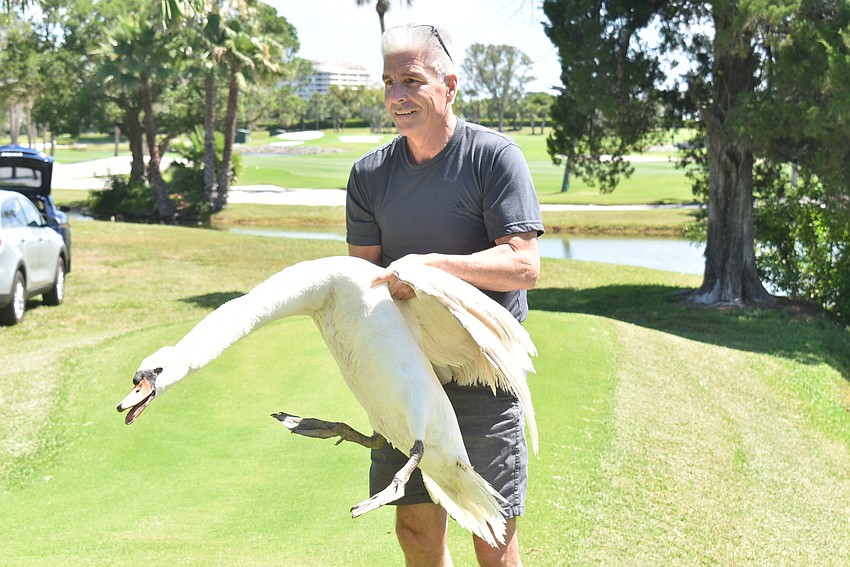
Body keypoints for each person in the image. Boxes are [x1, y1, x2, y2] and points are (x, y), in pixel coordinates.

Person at [346, 23, 543, 567]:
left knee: (492, 534)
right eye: (389, 84)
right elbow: (363, 281)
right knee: (414, 527)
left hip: (482, 369)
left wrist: (429, 270)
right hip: (404, 371)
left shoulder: (494, 158)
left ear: (449, 85)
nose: (398, 97)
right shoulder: (368, 176)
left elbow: (524, 266)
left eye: (412, 80)